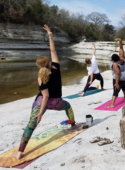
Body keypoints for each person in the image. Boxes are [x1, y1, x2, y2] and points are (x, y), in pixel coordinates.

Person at [13, 25, 77, 160]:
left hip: (41, 102)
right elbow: (53, 50)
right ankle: (73, 125)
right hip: (56, 102)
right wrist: (50, 34)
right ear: (49, 63)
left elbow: (45, 96)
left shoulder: (40, 78)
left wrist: (40, 113)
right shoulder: (56, 68)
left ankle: (20, 152)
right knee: (68, 106)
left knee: (31, 124)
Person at [106, 38, 125, 108]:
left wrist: (116, 83)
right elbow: (121, 48)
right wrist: (120, 41)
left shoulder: (115, 64)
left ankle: (112, 104)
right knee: (122, 85)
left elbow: (117, 73)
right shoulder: (122, 58)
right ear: (118, 56)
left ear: (113, 60)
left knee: (116, 89)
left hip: (119, 78)